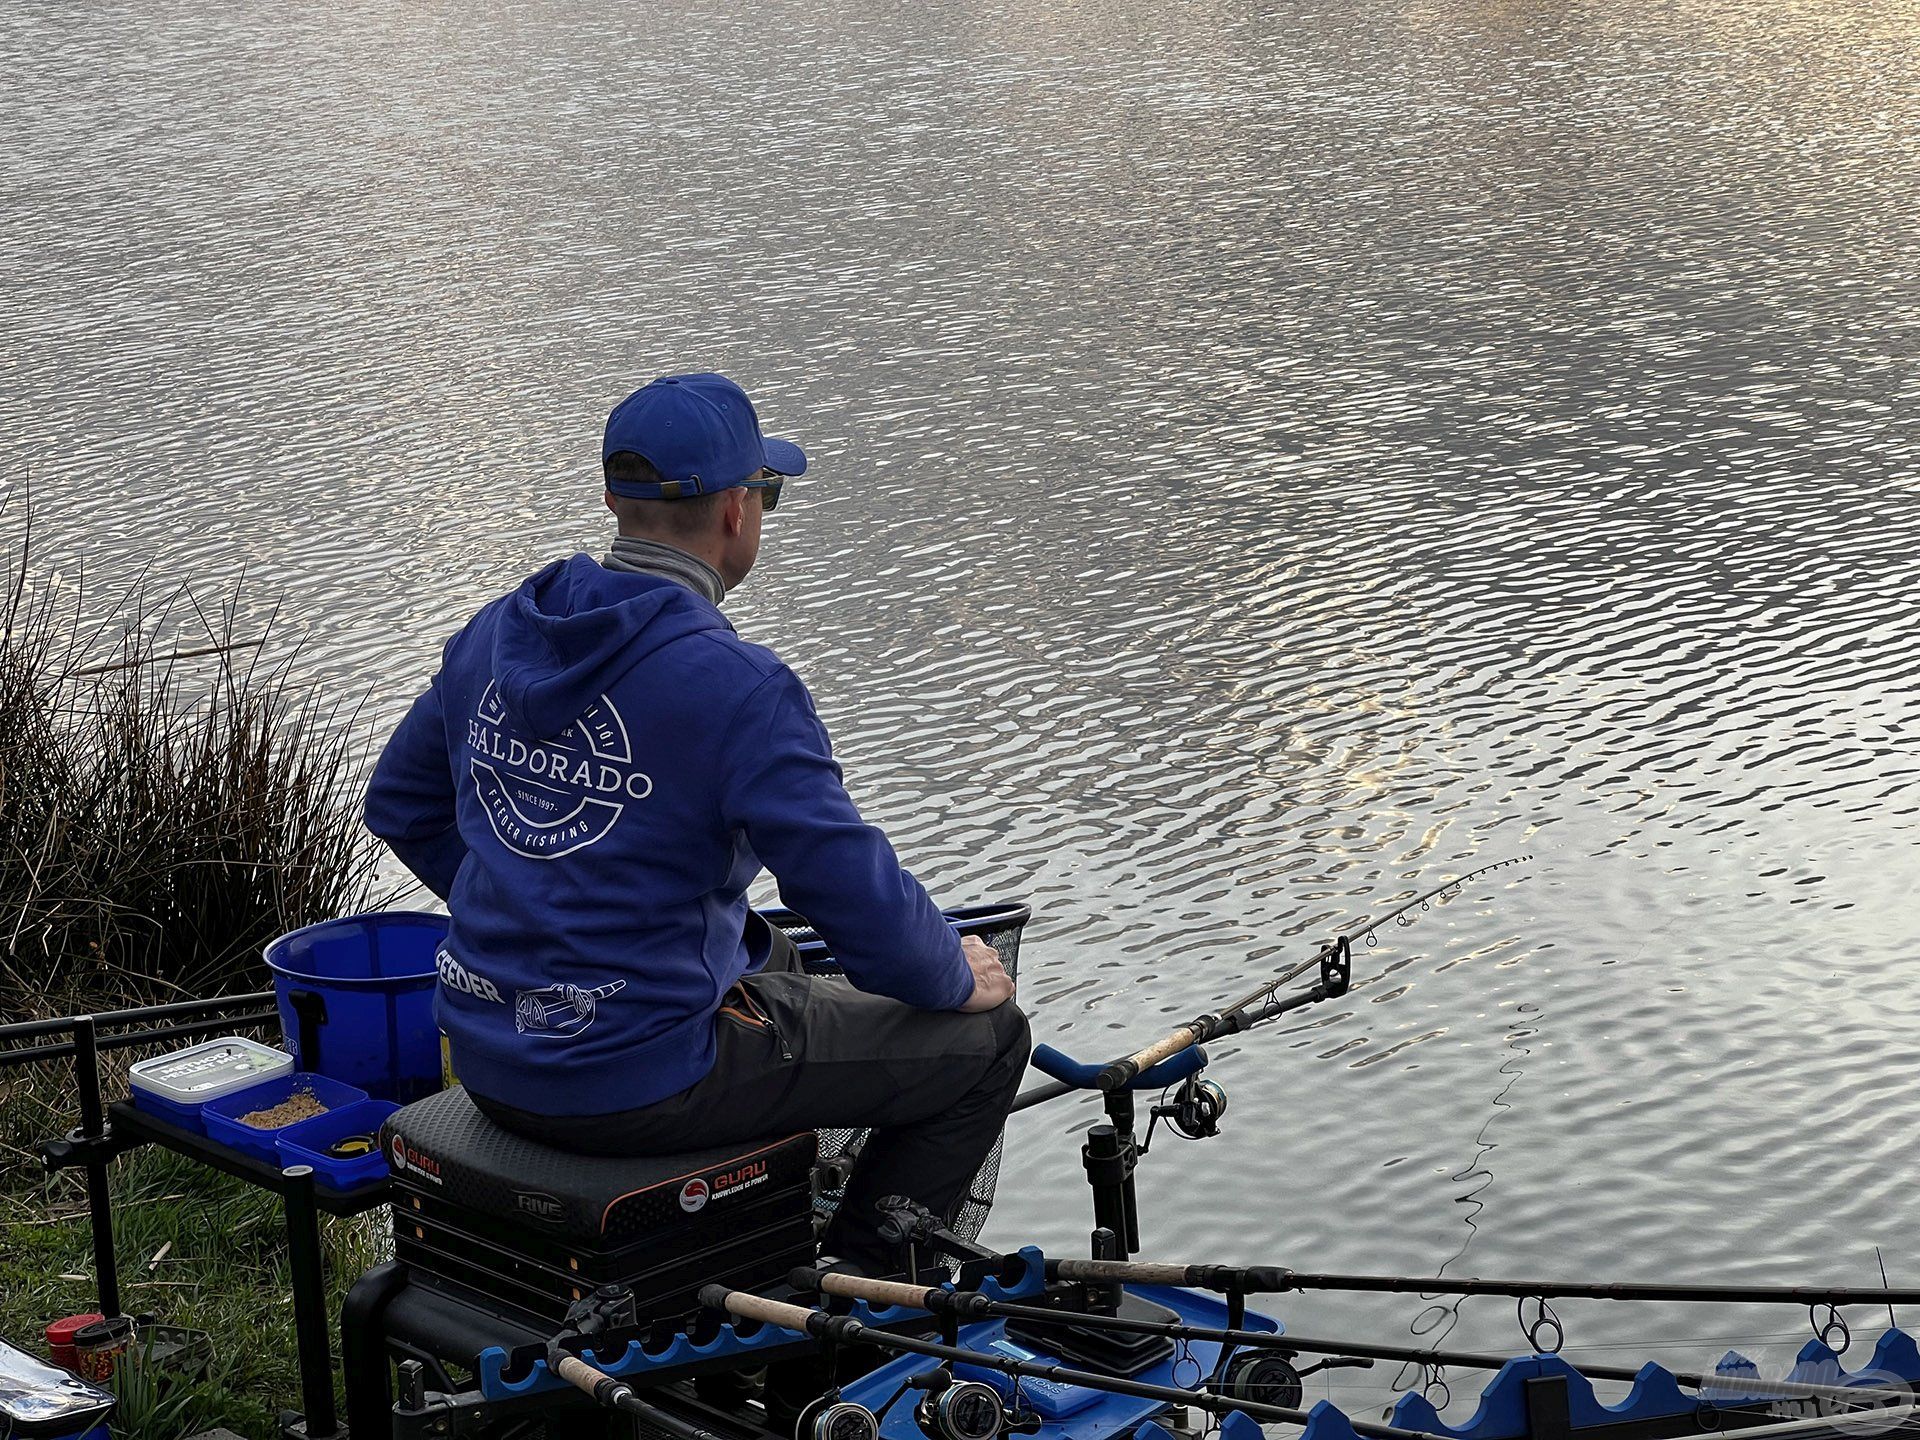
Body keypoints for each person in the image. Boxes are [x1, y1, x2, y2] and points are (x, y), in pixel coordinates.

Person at [363, 372, 1029, 1273]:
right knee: (988, 1043)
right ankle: (862, 1299)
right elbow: (847, 889)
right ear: (736, 512)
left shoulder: (495, 634)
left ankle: (774, 1239)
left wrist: (535, 907)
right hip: (634, 1080)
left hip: (487, 1052)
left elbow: (401, 805)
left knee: (776, 956)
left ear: (613, 499)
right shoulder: (739, 688)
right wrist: (950, 971)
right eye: (767, 493)